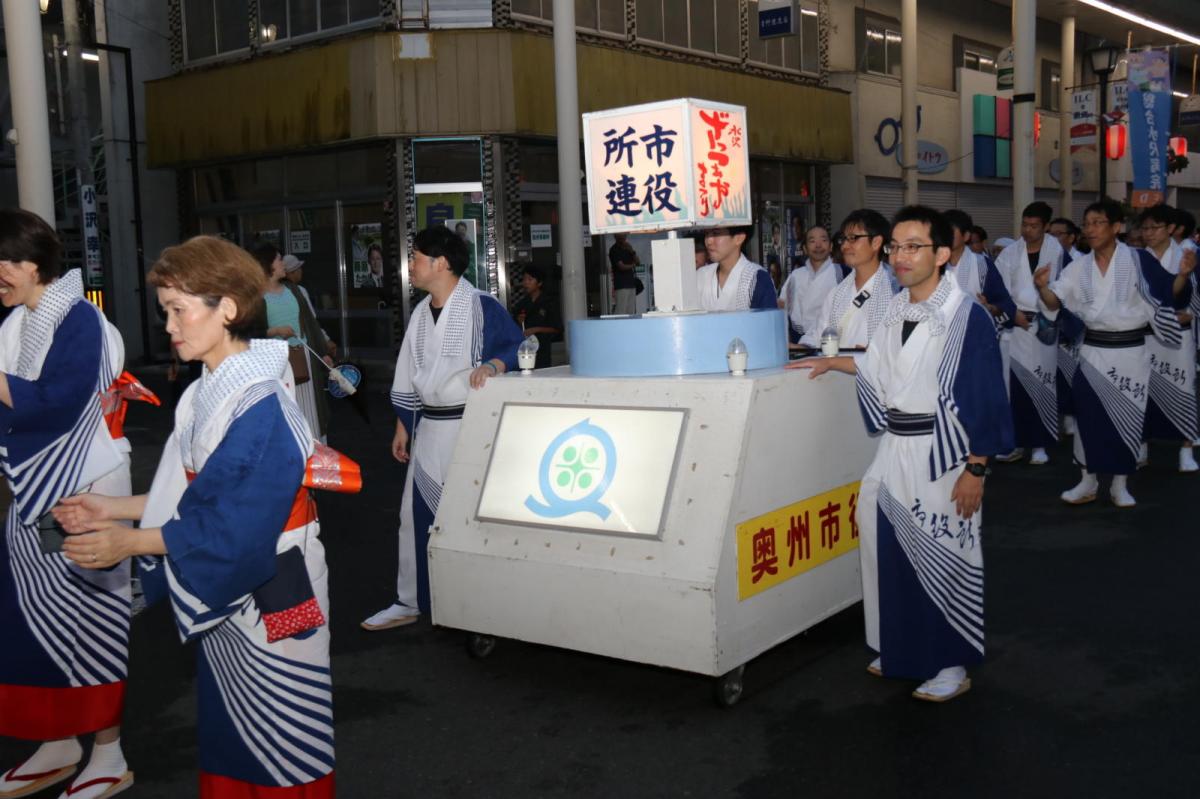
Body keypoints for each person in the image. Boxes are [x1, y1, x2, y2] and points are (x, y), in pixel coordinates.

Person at [55, 235, 336, 797]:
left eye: (178, 310)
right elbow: (196, 499)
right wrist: (112, 508)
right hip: (240, 572)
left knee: (282, 736)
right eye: (166, 312)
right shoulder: (209, 387)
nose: (169, 326)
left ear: (227, 307)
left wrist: (127, 544)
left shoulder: (259, 403)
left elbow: (232, 524)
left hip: (273, 579)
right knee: (234, 727)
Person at [793, 205, 1012, 702]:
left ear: (941, 253)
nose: (901, 256)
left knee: (945, 553)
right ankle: (904, 647)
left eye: (914, 246)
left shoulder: (966, 315)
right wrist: (835, 362)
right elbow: (878, 367)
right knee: (889, 548)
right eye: (895, 246)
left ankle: (951, 662)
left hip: (943, 453)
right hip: (895, 446)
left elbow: (984, 396)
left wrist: (976, 468)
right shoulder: (896, 310)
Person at [0, 209, 135, 799]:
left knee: (88, 614)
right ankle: (58, 739)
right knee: (31, 616)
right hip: (33, 489)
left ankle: (109, 751)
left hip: (81, 490)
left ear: (33, 264)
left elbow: (55, 405)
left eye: (4, 262)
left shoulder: (81, 321)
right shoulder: (17, 321)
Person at [363, 226, 523, 631]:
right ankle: (410, 600)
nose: (409, 266)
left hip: (470, 428)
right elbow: (409, 372)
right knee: (414, 515)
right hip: (430, 426)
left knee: (470, 518)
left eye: (415, 257)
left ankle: (477, 603)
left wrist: (493, 365)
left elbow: (516, 347)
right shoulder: (419, 313)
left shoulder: (481, 305)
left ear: (441, 263)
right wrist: (404, 425)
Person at [1035, 198, 1194, 507]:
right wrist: (1042, 287)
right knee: (1088, 418)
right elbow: (1054, 302)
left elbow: (1167, 291)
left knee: (1129, 417)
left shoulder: (1138, 260)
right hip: (1093, 351)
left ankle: (1120, 484)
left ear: (1117, 227)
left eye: (1098, 223)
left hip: (1130, 351)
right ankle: (1087, 481)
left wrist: (1184, 275)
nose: (1090, 229)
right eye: (1087, 224)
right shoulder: (1078, 265)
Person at [994, 201, 1064, 465]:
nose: (1028, 230)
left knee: (1042, 385)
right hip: (1015, 326)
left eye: (1034, 226)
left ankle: (1039, 444)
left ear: (1046, 227)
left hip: (1043, 326)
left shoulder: (1056, 251)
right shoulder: (1010, 253)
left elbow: (1062, 288)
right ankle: (1013, 443)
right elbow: (997, 289)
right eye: (1025, 224)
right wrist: (1011, 313)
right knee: (1012, 389)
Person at [1137, 205, 1198, 472]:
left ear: (1171, 229)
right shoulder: (1137, 257)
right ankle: (1140, 446)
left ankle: (1186, 447)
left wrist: (1192, 313)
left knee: (1183, 387)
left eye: (1154, 228)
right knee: (1142, 391)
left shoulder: (1188, 255)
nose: (1148, 234)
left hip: (1178, 334)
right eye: (1145, 228)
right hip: (1145, 334)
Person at [256, 242, 333, 443]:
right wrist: (276, 331)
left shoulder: (295, 290)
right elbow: (250, 335)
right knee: (286, 412)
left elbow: (310, 323)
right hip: (276, 364)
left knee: (310, 411)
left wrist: (323, 352)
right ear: (268, 265)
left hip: (303, 356)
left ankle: (314, 453)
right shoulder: (256, 297)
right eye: (279, 259)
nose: (283, 263)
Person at [809, 209, 897, 352]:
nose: (844, 246)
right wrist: (799, 348)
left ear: (876, 242)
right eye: (843, 239)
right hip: (835, 372)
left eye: (853, 238)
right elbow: (819, 336)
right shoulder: (837, 293)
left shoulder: (895, 291)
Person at [778, 225, 845, 345]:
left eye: (823, 240)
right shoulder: (795, 275)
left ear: (831, 247)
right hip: (797, 340)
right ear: (805, 248)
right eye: (812, 241)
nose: (818, 245)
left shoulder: (842, 273)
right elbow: (782, 306)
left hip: (831, 340)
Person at [696, 226, 777, 312]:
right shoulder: (700, 276)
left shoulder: (757, 278)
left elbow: (767, 323)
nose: (708, 241)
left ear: (739, 238)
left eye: (716, 233)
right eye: (706, 233)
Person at [283, 253, 337, 358]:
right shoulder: (300, 291)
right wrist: (326, 340)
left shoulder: (276, 291)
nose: (301, 271)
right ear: (292, 272)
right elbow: (311, 320)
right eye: (299, 268)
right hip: (302, 342)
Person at [512, 264, 561, 369]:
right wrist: (519, 322)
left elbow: (557, 329)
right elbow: (514, 327)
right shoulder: (522, 303)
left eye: (530, 279)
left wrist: (537, 329)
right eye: (524, 279)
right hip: (524, 351)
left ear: (539, 283)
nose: (525, 283)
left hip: (542, 352)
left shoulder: (549, 302)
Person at [608, 234, 639, 314]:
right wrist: (633, 265)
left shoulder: (628, 248)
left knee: (630, 311)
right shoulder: (614, 250)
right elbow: (621, 266)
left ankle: (629, 326)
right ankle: (618, 326)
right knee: (621, 310)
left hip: (631, 284)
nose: (623, 237)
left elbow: (638, 262)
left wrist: (632, 251)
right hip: (621, 285)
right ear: (615, 236)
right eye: (621, 235)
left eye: (624, 235)